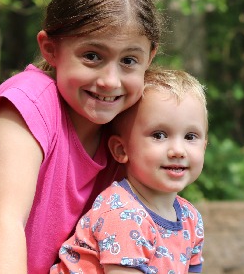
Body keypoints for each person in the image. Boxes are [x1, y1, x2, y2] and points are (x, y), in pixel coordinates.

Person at [0, 0, 161, 274]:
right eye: (92, 56)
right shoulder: (28, 103)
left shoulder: (125, 130)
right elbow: (3, 221)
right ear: (51, 49)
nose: (109, 80)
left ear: (150, 59)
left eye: (129, 61)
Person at [51, 69, 206, 274]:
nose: (178, 150)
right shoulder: (123, 214)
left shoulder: (191, 219)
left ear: (205, 145)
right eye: (159, 135)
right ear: (121, 149)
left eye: (190, 136)